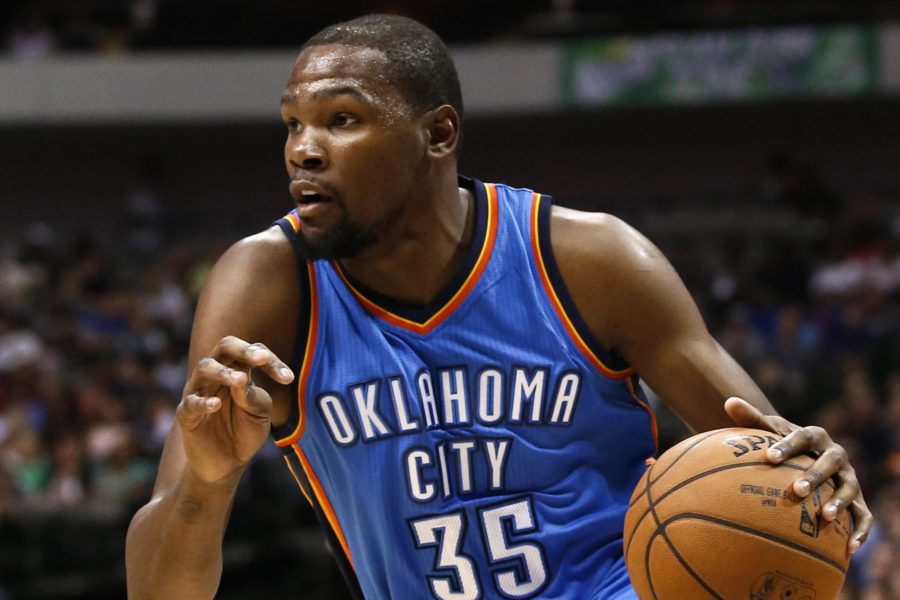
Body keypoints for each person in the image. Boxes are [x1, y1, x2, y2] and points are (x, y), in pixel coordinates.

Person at [125, 14, 873, 600]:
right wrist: (208, 482)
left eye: (341, 120)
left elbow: (782, 476)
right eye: (293, 124)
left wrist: (816, 483)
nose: (303, 150)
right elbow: (159, 591)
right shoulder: (267, 285)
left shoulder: (589, 260)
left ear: (438, 133)